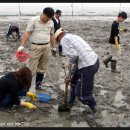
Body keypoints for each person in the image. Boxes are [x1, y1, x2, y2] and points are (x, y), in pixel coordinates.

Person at [55, 28, 100, 114]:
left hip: (87, 66)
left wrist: (68, 63)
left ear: (60, 36)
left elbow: (73, 56)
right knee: (73, 82)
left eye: (58, 40)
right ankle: (69, 103)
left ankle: (94, 108)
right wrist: (70, 75)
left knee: (82, 95)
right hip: (94, 61)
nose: (59, 42)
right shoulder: (73, 36)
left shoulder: (64, 40)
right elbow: (77, 57)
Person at [17, 7, 56, 90]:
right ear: (43, 13)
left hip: (47, 47)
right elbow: (27, 33)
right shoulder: (34, 20)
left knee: (42, 67)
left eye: (49, 18)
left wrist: (54, 46)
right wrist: (22, 45)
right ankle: (26, 86)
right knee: (31, 68)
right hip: (35, 47)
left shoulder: (51, 22)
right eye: (46, 18)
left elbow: (52, 35)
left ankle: (38, 83)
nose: (47, 20)